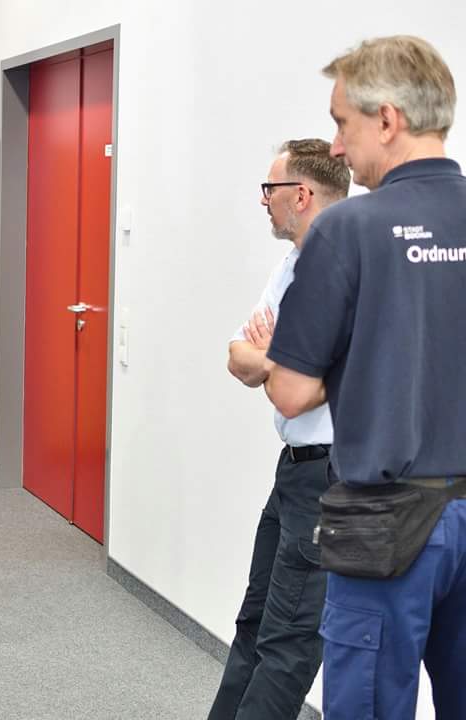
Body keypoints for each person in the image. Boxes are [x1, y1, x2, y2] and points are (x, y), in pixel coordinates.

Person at [267, 35, 466, 720]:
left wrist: (369, 351)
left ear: (387, 119)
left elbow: (291, 391)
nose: (337, 146)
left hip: (386, 524)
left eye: (341, 123)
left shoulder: (347, 229)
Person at [209, 139, 349, 720]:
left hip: (331, 478)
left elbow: (298, 390)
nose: (263, 200)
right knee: (255, 620)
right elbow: (239, 357)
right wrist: (278, 359)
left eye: (270, 188)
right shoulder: (292, 265)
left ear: (302, 194)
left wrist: (275, 361)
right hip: (292, 474)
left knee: (289, 641)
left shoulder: (351, 268)